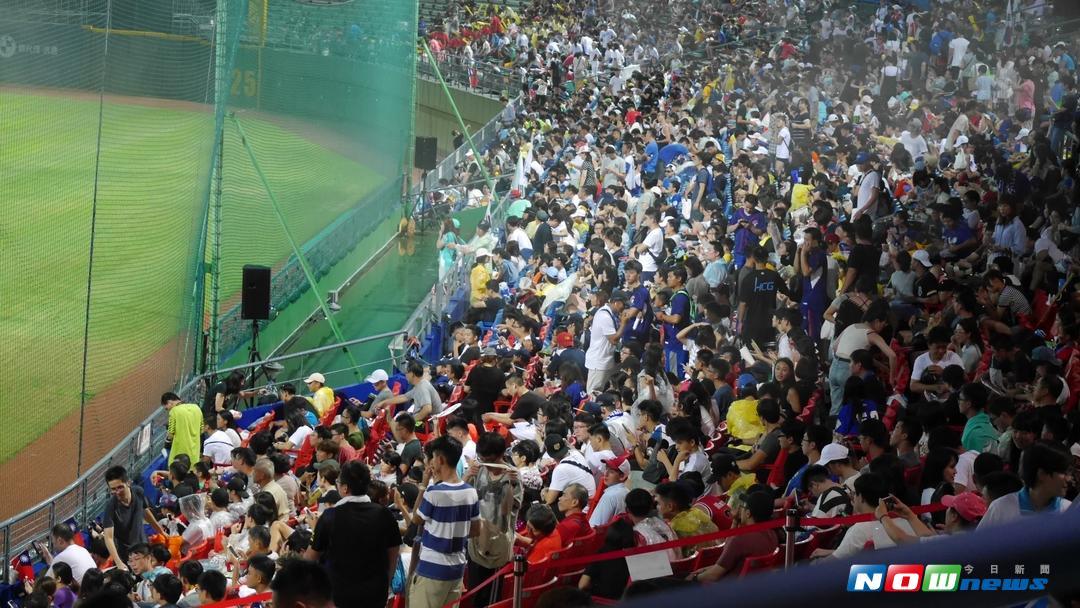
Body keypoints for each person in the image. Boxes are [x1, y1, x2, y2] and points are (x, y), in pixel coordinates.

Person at [306, 460, 401, 608]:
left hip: (339, 596)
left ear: (344, 488)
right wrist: (384, 583)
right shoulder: (384, 514)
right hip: (375, 595)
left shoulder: (330, 516)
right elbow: (393, 554)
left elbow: (311, 558)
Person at [406, 436, 480, 608]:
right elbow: (476, 530)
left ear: (439, 459)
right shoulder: (471, 492)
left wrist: (424, 485)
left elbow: (416, 519)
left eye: (432, 458)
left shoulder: (434, 493)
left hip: (432, 569)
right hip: (457, 569)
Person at [463, 433, 521, 608]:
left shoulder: (512, 476)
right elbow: (460, 497)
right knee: (474, 592)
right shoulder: (478, 469)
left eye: (490, 459)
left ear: (501, 455)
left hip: (498, 544)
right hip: (475, 541)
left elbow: (507, 510)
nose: (487, 464)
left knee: (489, 599)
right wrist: (466, 476)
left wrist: (510, 486)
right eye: (482, 458)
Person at [813, 473, 914, 559]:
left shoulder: (860, 529)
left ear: (861, 497)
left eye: (855, 494)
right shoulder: (906, 519)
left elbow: (833, 561)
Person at [689, 490, 778, 582]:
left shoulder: (740, 540)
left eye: (743, 507)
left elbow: (713, 575)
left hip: (726, 589)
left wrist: (693, 578)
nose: (740, 510)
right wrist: (735, 522)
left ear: (748, 513)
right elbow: (726, 561)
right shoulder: (772, 535)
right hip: (754, 587)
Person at [978, 443, 1072, 528]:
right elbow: (978, 545)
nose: (1069, 479)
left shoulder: (1069, 511)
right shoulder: (1001, 509)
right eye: (1064, 473)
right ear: (1042, 474)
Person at [102, 466, 165, 571]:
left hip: (144, 547)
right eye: (113, 489)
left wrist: (161, 531)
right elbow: (108, 537)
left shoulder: (138, 492)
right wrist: (119, 563)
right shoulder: (111, 507)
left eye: (120, 487)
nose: (117, 492)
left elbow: (145, 512)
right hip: (128, 555)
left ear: (128, 483)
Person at [585, 289, 630, 393]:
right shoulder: (604, 316)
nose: (625, 308)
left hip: (607, 361)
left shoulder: (610, 314)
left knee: (607, 392)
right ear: (617, 302)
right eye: (624, 304)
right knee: (593, 394)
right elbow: (614, 340)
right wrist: (623, 323)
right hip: (599, 362)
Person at [543, 433, 596, 504]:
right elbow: (571, 448)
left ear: (547, 451)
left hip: (583, 508)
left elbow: (549, 500)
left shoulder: (560, 469)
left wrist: (544, 492)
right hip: (589, 502)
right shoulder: (576, 453)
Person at [590, 453, 631, 526]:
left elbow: (595, 526)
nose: (606, 473)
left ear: (622, 476)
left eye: (611, 471)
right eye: (606, 469)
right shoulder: (627, 492)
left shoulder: (609, 496)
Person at [163, 392, 203, 467]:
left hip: (179, 457)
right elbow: (201, 429)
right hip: (194, 456)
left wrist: (167, 443)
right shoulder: (196, 408)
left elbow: (170, 434)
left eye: (166, 408)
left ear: (169, 402)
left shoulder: (174, 412)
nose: (168, 410)